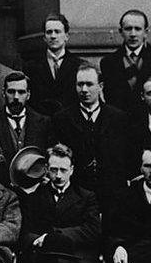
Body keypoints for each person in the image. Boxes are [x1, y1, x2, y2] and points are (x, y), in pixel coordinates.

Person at [49, 63, 130, 209]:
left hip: (112, 194)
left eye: (89, 84)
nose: (84, 90)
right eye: (80, 85)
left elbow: (125, 157)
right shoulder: (62, 119)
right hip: (77, 195)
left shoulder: (118, 118)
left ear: (101, 86)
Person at [99, 9, 151, 116]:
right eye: (128, 29)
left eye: (137, 29)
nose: (133, 34)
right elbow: (110, 101)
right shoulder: (108, 63)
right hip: (120, 128)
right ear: (120, 32)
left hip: (149, 127)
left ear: (146, 32)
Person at [0, 72, 50, 187]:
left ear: (28, 95)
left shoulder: (43, 123)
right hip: (2, 190)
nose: (16, 97)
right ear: (3, 93)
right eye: (11, 91)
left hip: (35, 191)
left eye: (21, 92)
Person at [22, 13, 84, 116]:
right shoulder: (31, 67)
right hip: (42, 125)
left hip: (70, 125)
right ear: (44, 38)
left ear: (67, 36)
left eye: (57, 32)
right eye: (49, 32)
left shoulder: (78, 65)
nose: (53, 36)